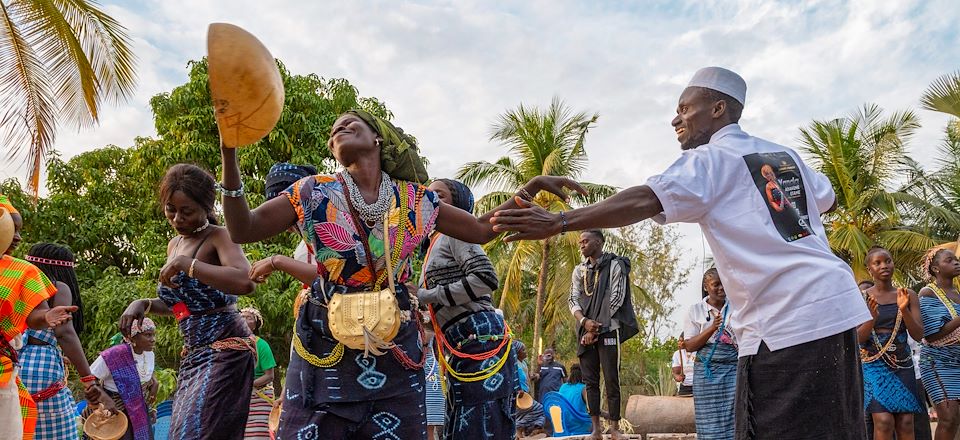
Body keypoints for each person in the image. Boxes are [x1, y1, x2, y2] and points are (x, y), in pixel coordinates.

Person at [490, 66, 872, 440]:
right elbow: (828, 199)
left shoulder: (711, 160)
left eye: (686, 108)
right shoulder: (784, 155)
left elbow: (644, 198)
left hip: (788, 316)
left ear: (718, 109)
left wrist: (559, 222)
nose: (676, 118)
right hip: (833, 307)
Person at [217, 109, 580, 439]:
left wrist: (528, 189)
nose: (338, 129)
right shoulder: (311, 192)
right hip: (323, 344)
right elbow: (243, 229)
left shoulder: (416, 200)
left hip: (394, 346)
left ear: (377, 138)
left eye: (349, 122)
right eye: (333, 130)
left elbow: (482, 229)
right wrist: (229, 152)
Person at [120, 164, 258, 440]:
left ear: (206, 208)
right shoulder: (174, 245)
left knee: (200, 433)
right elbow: (180, 305)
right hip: (194, 354)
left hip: (226, 351)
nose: (177, 218)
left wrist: (188, 265)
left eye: (187, 211)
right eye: (171, 209)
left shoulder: (219, 236)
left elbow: (246, 281)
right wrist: (143, 304)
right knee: (182, 431)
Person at [419, 177, 516, 439]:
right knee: (465, 421)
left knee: (480, 422)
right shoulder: (432, 247)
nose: (430, 199)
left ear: (458, 207)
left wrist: (426, 295)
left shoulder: (455, 233)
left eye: (439, 195)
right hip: (460, 341)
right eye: (427, 194)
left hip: (479, 336)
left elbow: (486, 279)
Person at [0, 198, 75, 440]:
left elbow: (34, 315)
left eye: (18, 231)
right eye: (12, 230)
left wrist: (47, 316)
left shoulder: (22, 271)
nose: (18, 238)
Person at [20, 244, 109, 440]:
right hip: (41, 370)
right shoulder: (58, 287)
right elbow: (64, 333)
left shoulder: (19, 284)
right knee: (59, 432)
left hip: (15, 365)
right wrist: (88, 380)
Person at [569, 229, 639, 440]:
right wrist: (584, 322)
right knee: (590, 381)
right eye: (580, 242)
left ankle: (615, 428)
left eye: (585, 241)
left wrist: (596, 328)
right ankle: (596, 429)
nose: (581, 245)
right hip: (585, 329)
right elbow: (573, 300)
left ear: (598, 242)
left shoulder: (615, 264)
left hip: (609, 328)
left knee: (611, 378)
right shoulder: (579, 270)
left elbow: (616, 298)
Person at [859, 246, 924, 440]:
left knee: (905, 422)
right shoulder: (861, 296)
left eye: (887, 261)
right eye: (877, 263)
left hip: (902, 363)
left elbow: (919, 334)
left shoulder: (908, 294)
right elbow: (857, 339)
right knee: (884, 421)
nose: (884, 266)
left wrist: (904, 310)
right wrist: (871, 318)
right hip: (873, 364)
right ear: (869, 268)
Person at [683, 268, 737, 440]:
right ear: (706, 287)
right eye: (716, 285)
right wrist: (712, 328)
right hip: (706, 373)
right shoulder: (695, 311)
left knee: (734, 414)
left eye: (724, 284)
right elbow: (689, 345)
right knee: (708, 418)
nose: (721, 288)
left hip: (733, 369)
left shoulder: (737, 306)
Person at [86, 317, 159, 440]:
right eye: (148, 335)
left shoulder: (149, 354)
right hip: (116, 411)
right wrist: (105, 399)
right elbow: (89, 378)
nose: (153, 340)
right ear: (132, 337)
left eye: (153, 335)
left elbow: (142, 372)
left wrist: (153, 381)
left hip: (139, 411)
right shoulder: (114, 355)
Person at [918, 245, 960, 440]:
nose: (956, 262)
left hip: (957, 359)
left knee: (955, 420)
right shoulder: (928, 293)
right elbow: (932, 335)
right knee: (948, 418)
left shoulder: (957, 294)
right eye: (949, 260)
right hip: (937, 363)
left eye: (956, 260)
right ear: (936, 269)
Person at [241, 307, 277, 440]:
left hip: (259, 398)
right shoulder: (233, 344)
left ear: (255, 324)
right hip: (240, 398)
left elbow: (269, 376)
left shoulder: (261, 345)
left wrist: (246, 386)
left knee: (257, 435)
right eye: (242, 317)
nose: (244, 320)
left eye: (248, 317)